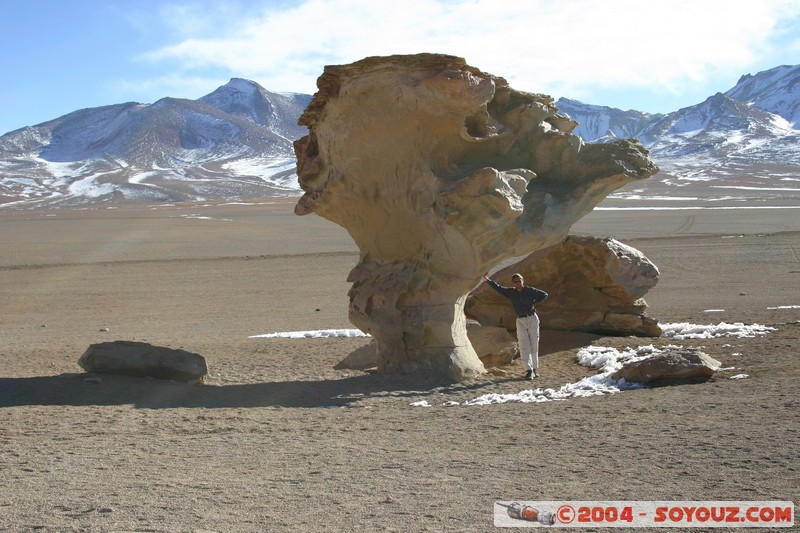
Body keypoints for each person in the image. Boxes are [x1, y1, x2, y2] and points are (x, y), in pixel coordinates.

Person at [484, 273, 548, 379]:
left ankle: (535, 369)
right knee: (523, 345)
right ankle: (529, 371)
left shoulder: (529, 290)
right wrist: (487, 280)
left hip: (532, 318)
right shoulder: (511, 292)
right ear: (513, 283)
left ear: (523, 281)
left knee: (534, 344)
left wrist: (533, 302)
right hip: (520, 320)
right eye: (515, 282)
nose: (518, 283)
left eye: (519, 281)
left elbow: (544, 295)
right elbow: (499, 289)